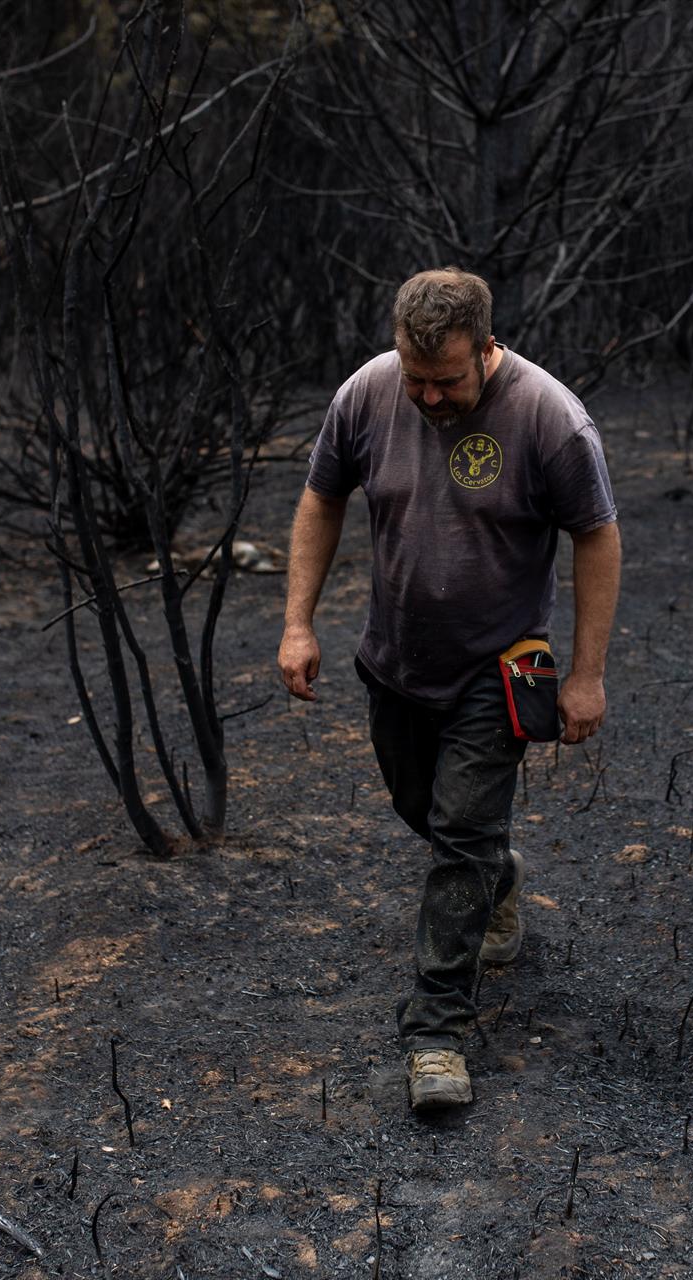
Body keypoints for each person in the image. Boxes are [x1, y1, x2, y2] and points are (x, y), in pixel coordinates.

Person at [277, 268, 621, 1112]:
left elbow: (598, 538)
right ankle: (497, 876)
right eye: (415, 376)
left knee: (458, 836)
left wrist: (586, 673)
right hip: (394, 661)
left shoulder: (550, 418)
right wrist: (297, 621)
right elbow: (321, 498)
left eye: (448, 380)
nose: (428, 396)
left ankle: (436, 1034)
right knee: (424, 811)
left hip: (495, 670)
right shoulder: (367, 392)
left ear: (487, 348)